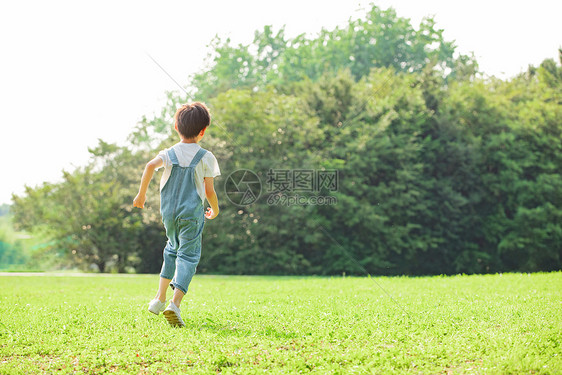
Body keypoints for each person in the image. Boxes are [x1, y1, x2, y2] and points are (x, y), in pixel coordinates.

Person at [133, 102, 220, 327]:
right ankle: (174, 304)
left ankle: (159, 298)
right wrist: (215, 209)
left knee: (171, 249)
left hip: (168, 214)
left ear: (176, 126)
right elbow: (209, 190)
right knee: (188, 256)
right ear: (203, 131)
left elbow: (150, 166)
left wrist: (141, 195)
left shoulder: (169, 154)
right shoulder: (206, 156)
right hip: (191, 214)